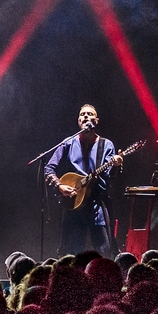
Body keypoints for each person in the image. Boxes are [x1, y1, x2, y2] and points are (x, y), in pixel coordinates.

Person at [45, 103, 122, 257]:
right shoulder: (68, 142)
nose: (86, 116)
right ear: (79, 121)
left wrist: (116, 165)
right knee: (71, 254)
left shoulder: (106, 145)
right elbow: (49, 169)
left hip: (97, 204)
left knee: (104, 251)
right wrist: (60, 186)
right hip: (74, 204)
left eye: (90, 114)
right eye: (82, 114)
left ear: (97, 121)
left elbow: (110, 175)